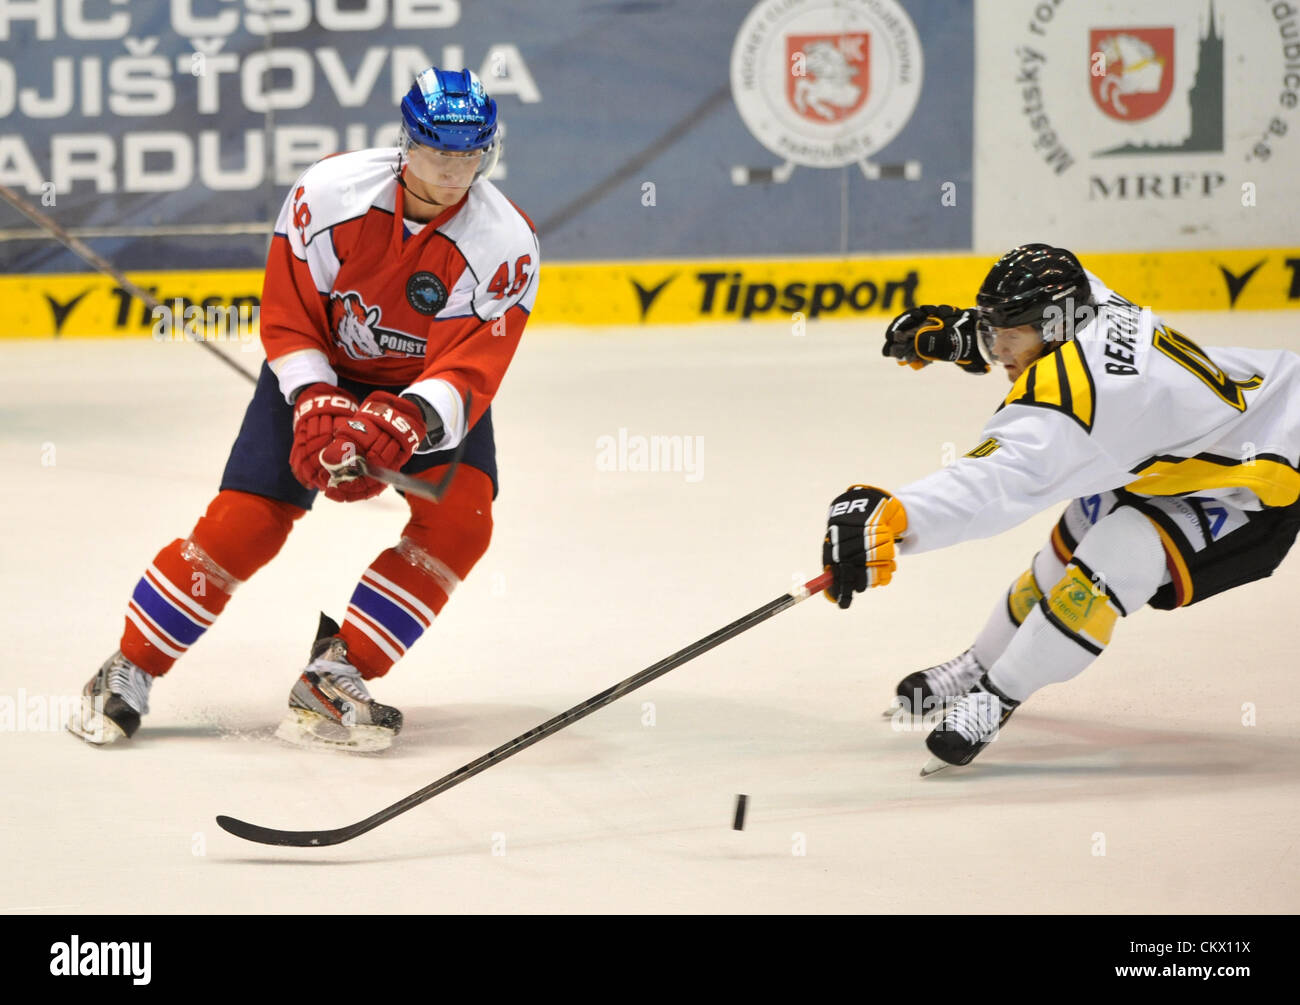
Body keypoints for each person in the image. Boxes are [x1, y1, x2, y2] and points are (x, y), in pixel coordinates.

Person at [68, 67, 539, 752]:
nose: (454, 173)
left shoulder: (506, 241)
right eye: (439, 153)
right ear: (406, 144)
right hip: (320, 370)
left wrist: (406, 421)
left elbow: (471, 364)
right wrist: (316, 398)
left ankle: (335, 673)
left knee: (462, 521)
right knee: (247, 522)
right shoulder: (328, 192)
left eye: (471, 156)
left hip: (427, 389)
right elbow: (290, 316)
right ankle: (129, 664)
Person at [821, 244, 1300, 774]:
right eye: (993, 328)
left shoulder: (1084, 405)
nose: (999, 347)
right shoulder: (1083, 299)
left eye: (1011, 335)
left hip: (1256, 484)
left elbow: (990, 486)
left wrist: (894, 514)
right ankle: (978, 664)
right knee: (1055, 562)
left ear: (1055, 328)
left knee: (1106, 565)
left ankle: (996, 696)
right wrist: (964, 336)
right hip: (1173, 448)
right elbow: (1042, 310)